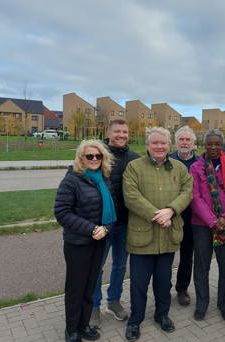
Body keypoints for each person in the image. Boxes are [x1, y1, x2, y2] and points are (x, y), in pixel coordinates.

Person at [122, 127, 193, 341]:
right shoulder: (134, 167)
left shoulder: (180, 168)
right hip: (142, 237)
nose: (160, 147)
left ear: (169, 145)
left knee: (164, 282)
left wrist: (171, 210)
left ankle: (162, 315)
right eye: (155, 143)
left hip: (168, 237)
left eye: (163, 143)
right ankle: (135, 320)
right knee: (138, 283)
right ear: (147, 145)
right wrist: (158, 215)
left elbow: (187, 192)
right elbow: (131, 196)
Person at [54, 140, 116, 342]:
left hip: (99, 241)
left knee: (90, 286)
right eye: (90, 156)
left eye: (98, 156)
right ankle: (71, 329)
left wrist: (105, 229)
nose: (94, 159)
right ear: (81, 158)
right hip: (78, 244)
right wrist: (91, 229)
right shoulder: (72, 180)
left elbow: (111, 212)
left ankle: (84, 325)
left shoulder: (104, 179)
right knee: (76, 288)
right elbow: (62, 212)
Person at [90, 119, 139, 327]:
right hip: (102, 224)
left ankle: (114, 301)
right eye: (117, 131)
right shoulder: (96, 156)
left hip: (125, 223)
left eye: (125, 131)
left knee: (120, 264)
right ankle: (93, 307)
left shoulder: (135, 158)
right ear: (108, 133)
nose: (121, 135)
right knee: (97, 267)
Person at [190, 129, 225, 322]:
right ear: (204, 145)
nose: (213, 147)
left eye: (217, 144)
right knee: (202, 266)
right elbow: (194, 197)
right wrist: (212, 220)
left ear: (222, 145)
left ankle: (224, 303)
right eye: (209, 144)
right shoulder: (196, 167)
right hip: (202, 225)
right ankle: (202, 303)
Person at [169, 125, 198, 306]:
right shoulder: (167, 160)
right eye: (182, 139)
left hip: (192, 216)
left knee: (187, 255)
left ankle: (182, 288)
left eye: (188, 140)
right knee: (167, 253)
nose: (185, 143)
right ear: (176, 142)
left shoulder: (200, 163)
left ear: (194, 143)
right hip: (170, 215)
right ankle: (164, 287)